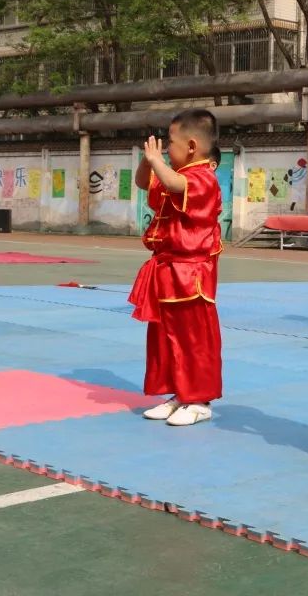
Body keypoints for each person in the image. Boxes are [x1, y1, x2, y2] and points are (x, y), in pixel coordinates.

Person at [129, 109, 223, 426]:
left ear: (192, 145)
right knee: (166, 337)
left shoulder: (203, 179)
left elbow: (174, 183)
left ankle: (199, 399)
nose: (166, 149)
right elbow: (146, 182)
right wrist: (148, 159)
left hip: (191, 274)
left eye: (170, 143)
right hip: (167, 271)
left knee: (194, 339)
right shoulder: (173, 173)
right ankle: (179, 395)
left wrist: (158, 163)